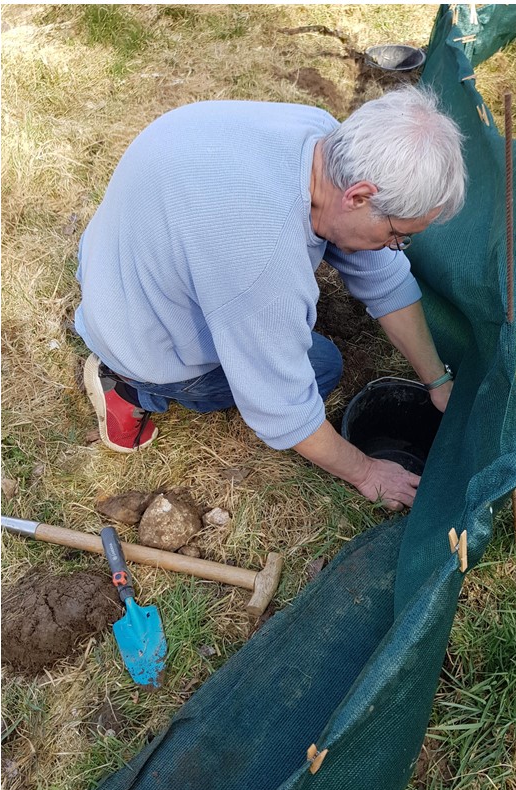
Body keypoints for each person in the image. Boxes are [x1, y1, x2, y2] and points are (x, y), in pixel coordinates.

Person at [75, 86, 466, 512]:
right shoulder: (261, 257)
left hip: (114, 263)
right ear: (359, 196)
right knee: (320, 367)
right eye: (395, 235)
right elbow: (283, 411)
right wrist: (367, 471)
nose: (394, 245)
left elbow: (382, 277)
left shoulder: (321, 137)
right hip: (134, 332)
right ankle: (129, 388)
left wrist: (437, 381)